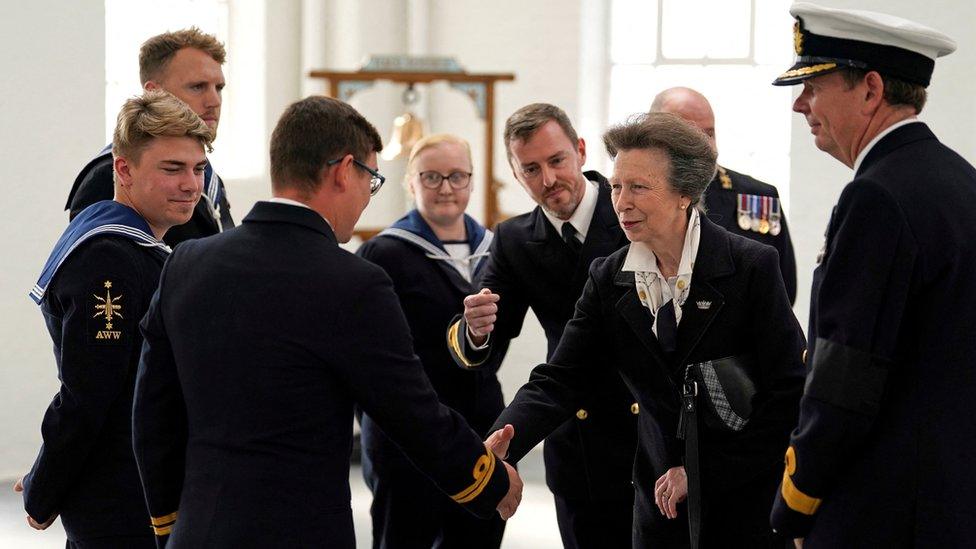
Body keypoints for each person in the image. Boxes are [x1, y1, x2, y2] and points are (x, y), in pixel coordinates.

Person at [131, 96, 522, 548]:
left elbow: (152, 414)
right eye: (371, 180)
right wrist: (491, 480)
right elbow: (412, 413)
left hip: (200, 530)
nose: (365, 198)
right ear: (343, 171)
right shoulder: (353, 282)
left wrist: (169, 525)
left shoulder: (186, 263)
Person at [485, 112, 805, 548]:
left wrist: (702, 471)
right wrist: (506, 440)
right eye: (617, 186)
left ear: (685, 194)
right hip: (658, 507)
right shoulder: (608, 276)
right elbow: (561, 378)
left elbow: (787, 394)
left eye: (638, 187)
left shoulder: (750, 267)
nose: (621, 202)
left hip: (741, 502)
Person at [768, 4, 976, 547]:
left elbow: (845, 378)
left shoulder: (877, 197)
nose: (799, 104)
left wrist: (797, 502)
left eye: (813, 84)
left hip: (882, 509)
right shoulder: (959, 181)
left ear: (871, 89)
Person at [15, 90, 213, 548]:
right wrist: (44, 490)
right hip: (123, 499)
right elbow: (89, 395)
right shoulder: (110, 257)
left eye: (197, 168)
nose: (191, 185)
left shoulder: (134, 247)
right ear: (123, 170)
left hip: (138, 487)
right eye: (172, 169)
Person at [447, 103, 636, 548]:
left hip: (644, 428)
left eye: (556, 161)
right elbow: (486, 336)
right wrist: (475, 329)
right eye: (531, 169)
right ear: (516, 175)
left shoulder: (632, 208)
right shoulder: (515, 239)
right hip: (575, 435)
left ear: (581, 151)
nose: (548, 180)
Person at [357, 134, 506, 549]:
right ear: (410, 182)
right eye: (432, 177)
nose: (445, 187)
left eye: (457, 176)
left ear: (472, 181)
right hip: (405, 439)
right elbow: (364, 359)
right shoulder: (382, 255)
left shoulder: (497, 252)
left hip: (479, 428)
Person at [65, 27, 234, 245]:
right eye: (197, 87)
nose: (214, 101)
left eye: (218, 88)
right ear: (153, 92)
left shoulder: (203, 171)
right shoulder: (109, 177)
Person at [650, 87, 798, 304]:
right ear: (653, 137)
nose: (704, 146)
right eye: (689, 135)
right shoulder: (630, 198)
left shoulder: (757, 197)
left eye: (709, 133)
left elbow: (782, 291)